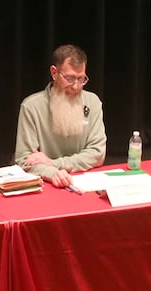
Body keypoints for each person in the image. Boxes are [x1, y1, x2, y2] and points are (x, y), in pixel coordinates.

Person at [14, 44, 107, 188]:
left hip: (85, 183)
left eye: (81, 79)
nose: (76, 86)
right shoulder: (31, 107)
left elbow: (97, 154)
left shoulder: (92, 102)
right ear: (54, 73)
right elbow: (24, 159)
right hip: (47, 184)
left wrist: (54, 164)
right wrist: (51, 173)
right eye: (69, 78)